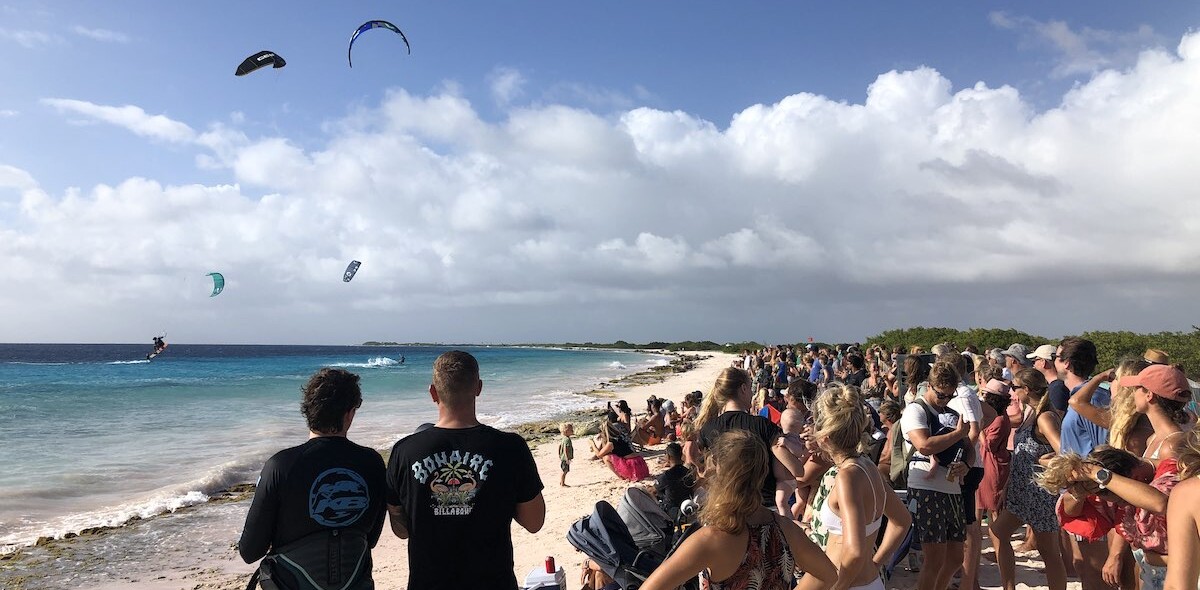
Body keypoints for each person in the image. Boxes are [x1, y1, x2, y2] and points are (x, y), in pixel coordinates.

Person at [385, 350, 546, 590]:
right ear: (479, 388)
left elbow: (401, 530)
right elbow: (534, 522)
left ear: (432, 392)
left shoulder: (404, 452)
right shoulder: (510, 448)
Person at [238, 368, 386, 589]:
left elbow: (250, 552)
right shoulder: (373, 463)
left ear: (307, 411)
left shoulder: (281, 466)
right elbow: (369, 539)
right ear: (350, 413)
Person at [639, 430, 838, 590]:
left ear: (716, 466)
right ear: (763, 472)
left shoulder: (711, 538)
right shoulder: (785, 528)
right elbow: (828, 575)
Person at [808, 384, 911, 590]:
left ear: (825, 437)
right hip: (870, 580)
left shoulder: (846, 476)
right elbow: (902, 520)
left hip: (844, 581)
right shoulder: (867, 466)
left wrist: (839, 586)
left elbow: (853, 551)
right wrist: (876, 562)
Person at [987, 368, 1066, 590]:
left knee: (1049, 551)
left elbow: (1063, 450)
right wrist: (1008, 487)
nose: (1012, 393)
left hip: (1039, 494)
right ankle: (1008, 587)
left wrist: (1043, 461)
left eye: (1015, 387)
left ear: (1027, 389)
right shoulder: (1032, 412)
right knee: (997, 532)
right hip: (1022, 492)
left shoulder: (1045, 416)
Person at [695, 367, 807, 515]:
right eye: (750, 388)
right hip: (762, 507)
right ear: (743, 389)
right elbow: (796, 470)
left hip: (726, 507)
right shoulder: (762, 425)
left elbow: (707, 474)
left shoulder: (707, 429)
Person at [901, 362, 972, 590]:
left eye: (950, 396)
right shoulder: (916, 409)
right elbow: (924, 445)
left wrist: (967, 465)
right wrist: (959, 433)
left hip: (951, 486)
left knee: (955, 558)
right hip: (925, 485)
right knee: (934, 558)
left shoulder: (950, 413)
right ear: (929, 386)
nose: (945, 400)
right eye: (941, 395)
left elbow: (970, 448)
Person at [591, 413, 651, 481]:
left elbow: (599, 455)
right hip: (640, 462)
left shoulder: (611, 443)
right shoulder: (620, 436)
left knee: (606, 458)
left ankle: (620, 477)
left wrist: (592, 444)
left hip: (633, 465)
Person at [650, 442, 695, 518]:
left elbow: (652, 491)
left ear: (668, 457)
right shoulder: (688, 472)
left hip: (670, 510)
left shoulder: (666, 476)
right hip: (687, 506)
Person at [559, 422, 574, 487]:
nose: (573, 431)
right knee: (565, 471)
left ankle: (561, 482)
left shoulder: (564, 438)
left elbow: (559, 447)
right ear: (566, 431)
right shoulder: (567, 439)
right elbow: (565, 449)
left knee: (564, 470)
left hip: (563, 457)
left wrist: (559, 454)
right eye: (571, 430)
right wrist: (567, 458)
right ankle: (562, 483)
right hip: (565, 458)